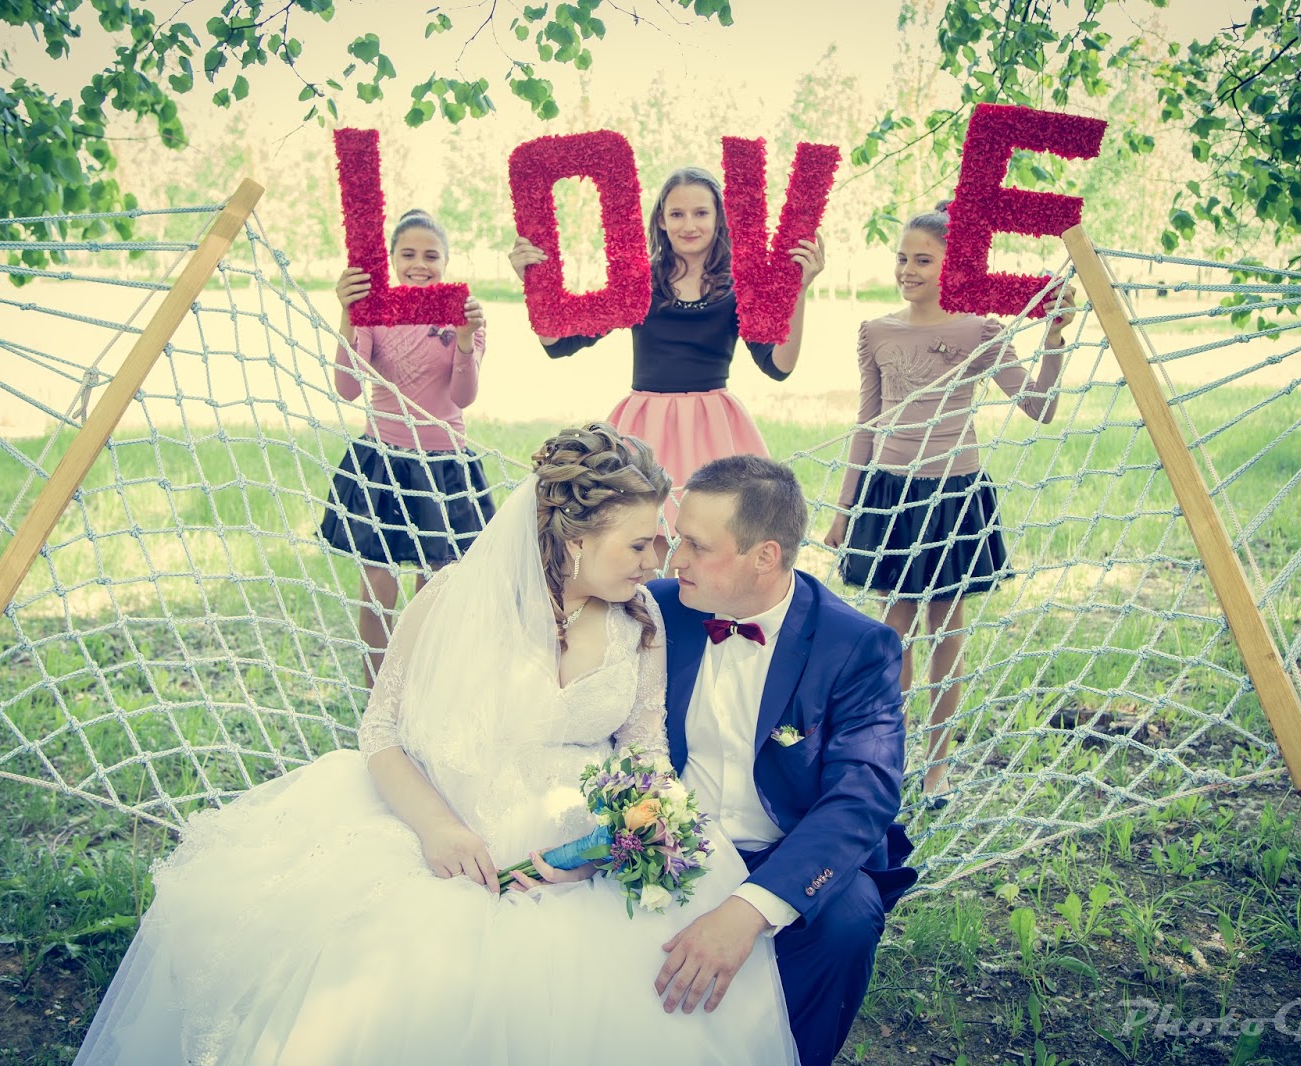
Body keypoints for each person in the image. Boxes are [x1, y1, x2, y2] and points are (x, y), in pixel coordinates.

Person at [74, 424, 800, 1066]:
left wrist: (612, 845)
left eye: (660, 541)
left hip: (573, 850)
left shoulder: (638, 618)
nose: (657, 560)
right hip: (444, 824)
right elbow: (380, 731)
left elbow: (646, 752)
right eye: (640, 543)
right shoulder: (457, 598)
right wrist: (438, 829)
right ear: (577, 541)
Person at [648, 455, 917, 1066]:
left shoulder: (855, 645)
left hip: (785, 847)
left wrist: (750, 908)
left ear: (765, 556)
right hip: (668, 840)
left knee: (847, 923)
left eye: (697, 546)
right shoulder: (654, 610)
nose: (675, 560)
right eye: (677, 538)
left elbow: (863, 794)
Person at [822, 200, 1077, 807]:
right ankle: (890, 755)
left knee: (946, 631)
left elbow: (1038, 406)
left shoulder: (978, 331)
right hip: (892, 495)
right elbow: (866, 423)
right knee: (894, 633)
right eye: (901, 258)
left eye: (923, 260)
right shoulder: (876, 331)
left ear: (952, 265)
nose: (907, 270)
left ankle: (938, 764)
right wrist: (845, 508)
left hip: (953, 498)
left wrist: (1053, 340)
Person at [508, 166, 824, 534]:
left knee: (714, 533)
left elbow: (779, 365)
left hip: (712, 427)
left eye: (701, 213)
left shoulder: (739, 287)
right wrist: (533, 281)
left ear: (719, 218)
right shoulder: (639, 282)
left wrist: (799, 290)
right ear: (661, 219)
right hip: (646, 427)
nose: (689, 225)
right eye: (677, 214)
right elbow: (558, 343)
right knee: (640, 533)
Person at [320, 208, 496, 684]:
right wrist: (349, 313)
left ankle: (419, 689)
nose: (420, 264)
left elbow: (463, 396)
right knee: (378, 587)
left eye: (431, 255)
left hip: (444, 467)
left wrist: (464, 341)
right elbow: (347, 387)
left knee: (434, 590)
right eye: (409, 254)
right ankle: (377, 693)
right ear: (393, 259)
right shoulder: (375, 312)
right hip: (384, 462)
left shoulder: (466, 316)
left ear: (446, 261)